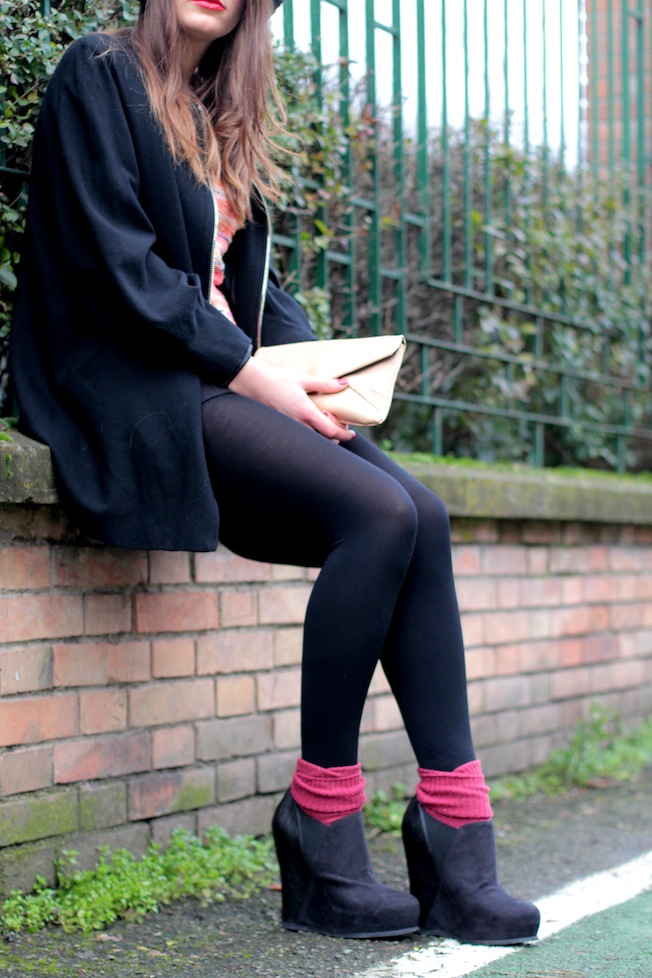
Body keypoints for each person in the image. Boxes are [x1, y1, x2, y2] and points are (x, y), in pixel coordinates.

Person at [10, 0, 540, 945]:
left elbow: (251, 293)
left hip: (213, 376)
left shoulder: (221, 112)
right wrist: (256, 375)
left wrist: (322, 375)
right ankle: (320, 824)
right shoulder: (101, 72)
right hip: (125, 380)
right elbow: (118, 270)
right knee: (378, 515)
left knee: (422, 513)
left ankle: (458, 841)